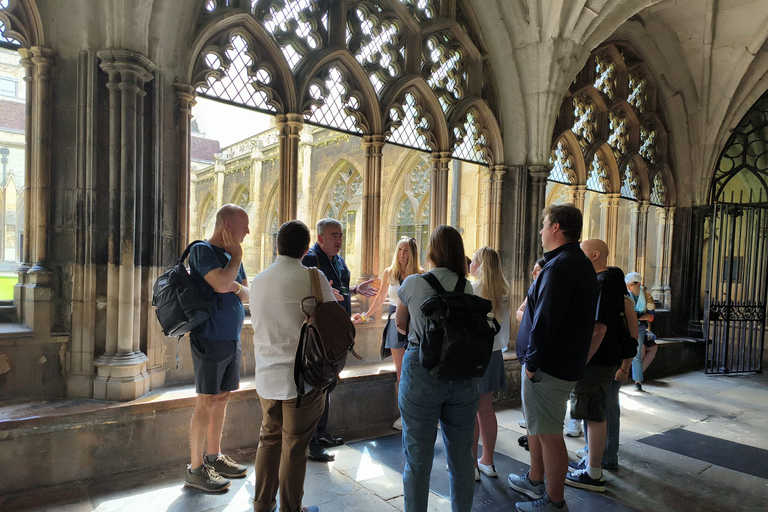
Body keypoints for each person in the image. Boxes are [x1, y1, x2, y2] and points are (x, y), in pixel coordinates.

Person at [508, 204, 598, 512]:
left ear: (557, 227)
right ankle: (536, 481)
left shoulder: (560, 267)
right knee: (541, 429)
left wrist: (532, 365)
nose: (542, 232)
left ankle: (554, 501)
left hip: (548, 368)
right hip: (559, 364)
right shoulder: (576, 262)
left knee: (549, 435)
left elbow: (546, 322)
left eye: (544, 226)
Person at [250, 220, 331, 512]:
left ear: (276, 245)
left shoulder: (257, 281)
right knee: (294, 449)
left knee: (268, 440)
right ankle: (291, 509)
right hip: (302, 381)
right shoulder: (313, 277)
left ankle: (262, 504)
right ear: (307, 249)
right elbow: (332, 324)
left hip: (266, 379)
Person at [396, 225, 478, 512]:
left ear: (431, 250)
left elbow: (400, 324)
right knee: (462, 457)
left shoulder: (413, 284)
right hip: (462, 372)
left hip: (422, 369)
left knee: (417, 460)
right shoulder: (465, 285)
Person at [185, 204, 250, 493]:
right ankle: (195, 469)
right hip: (209, 337)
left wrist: (233, 278)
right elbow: (223, 284)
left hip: (230, 337)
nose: (247, 231)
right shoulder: (203, 251)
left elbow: (246, 292)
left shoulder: (232, 256)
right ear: (227, 225)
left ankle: (214, 455)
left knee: (222, 397)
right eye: (243, 225)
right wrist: (234, 265)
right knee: (206, 401)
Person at [302, 218, 377, 462]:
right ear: (320, 238)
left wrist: (355, 290)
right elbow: (306, 295)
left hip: (338, 331)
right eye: (334, 235)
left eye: (341, 235)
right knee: (317, 385)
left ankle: (321, 433)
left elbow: (339, 288)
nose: (339, 240)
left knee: (329, 384)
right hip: (320, 333)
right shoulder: (311, 260)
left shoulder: (338, 260)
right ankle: (311, 442)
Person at [562, 239, 628, 493]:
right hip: (600, 358)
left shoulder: (605, 282)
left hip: (597, 360)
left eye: (582, 253)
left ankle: (594, 473)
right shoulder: (602, 282)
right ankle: (592, 465)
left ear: (595, 254)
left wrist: (583, 359)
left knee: (593, 412)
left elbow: (599, 328)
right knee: (591, 413)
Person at [354, 236, 422, 430]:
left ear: (413, 253)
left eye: (407, 250)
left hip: (414, 325)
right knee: (401, 371)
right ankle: (405, 416)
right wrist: (365, 316)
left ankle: (420, 414)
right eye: (400, 249)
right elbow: (380, 299)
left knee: (416, 370)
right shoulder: (389, 273)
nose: (402, 254)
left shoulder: (419, 274)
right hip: (394, 323)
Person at [575, 266, 638, 470]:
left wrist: (625, 367)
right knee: (591, 409)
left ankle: (608, 455)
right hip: (599, 361)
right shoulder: (601, 299)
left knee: (608, 409)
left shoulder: (625, 302)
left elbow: (632, 338)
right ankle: (592, 449)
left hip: (611, 362)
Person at [470, 247, 511, 480]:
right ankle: (488, 461)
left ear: (480, 264)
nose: (471, 266)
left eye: (474, 262)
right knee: (486, 409)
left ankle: (471, 462)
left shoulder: (476, 289)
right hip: (495, 353)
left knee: (471, 409)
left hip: (477, 354)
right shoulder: (503, 289)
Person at [625, 272, 657, 391]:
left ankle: (637, 381)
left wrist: (638, 318)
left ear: (638, 284)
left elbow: (651, 316)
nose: (628, 287)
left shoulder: (647, 296)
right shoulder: (626, 295)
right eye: (627, 285)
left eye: (631, 285)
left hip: (639, 327)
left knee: (637, 353)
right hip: (627, 326)